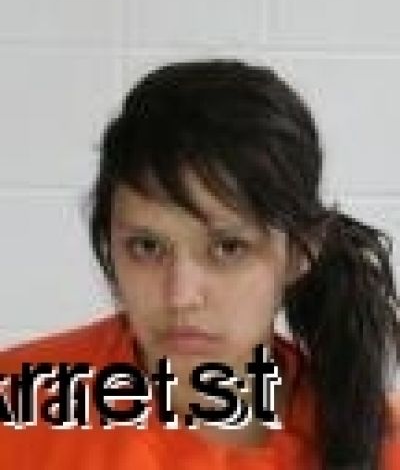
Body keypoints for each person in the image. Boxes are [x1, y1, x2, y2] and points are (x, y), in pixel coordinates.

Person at [0, 59, 398, 469]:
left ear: (300, 253)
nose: (181, 297)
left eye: (228, 248)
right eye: (147, 247)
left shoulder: (381, 445)